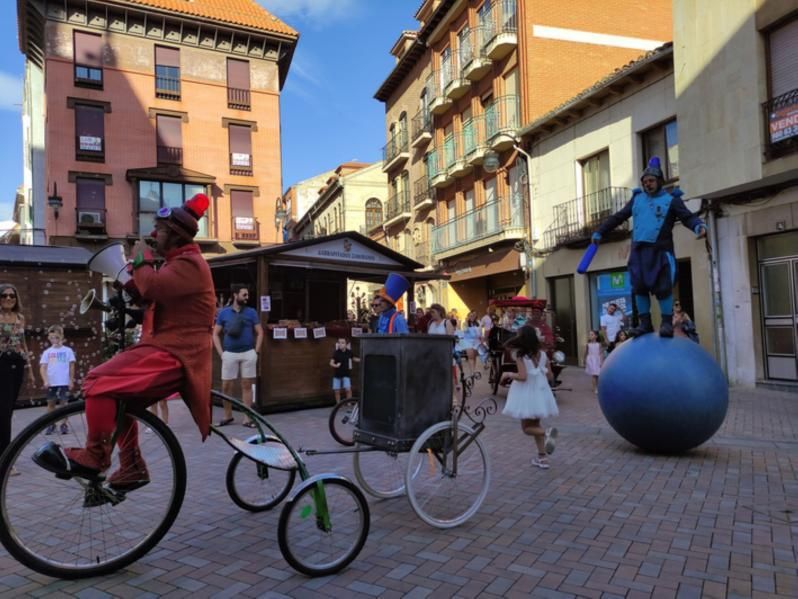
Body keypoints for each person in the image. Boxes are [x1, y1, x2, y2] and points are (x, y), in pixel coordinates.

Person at [34, 193, 216, 491]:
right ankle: (131, 467)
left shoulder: (190, 264)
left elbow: (152, 287)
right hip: (164, 348)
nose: (154, 235)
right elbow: (148, 294)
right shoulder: (178, 262)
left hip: (175, 353)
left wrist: (141, 256)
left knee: (98, 381)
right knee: (118, 401)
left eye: (161, 230)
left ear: (177, 235)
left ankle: (94, 457)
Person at [592, 156, 706, 337]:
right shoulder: (637, 199)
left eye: (651, 181)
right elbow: (619, 217)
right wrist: (600, 231)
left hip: (661, 251)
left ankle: (666, 323)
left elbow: (687, 217)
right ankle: (645, 323)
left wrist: (698, 226)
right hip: (638, 252)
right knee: (639, 287)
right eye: (645, 182)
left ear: (659, 181)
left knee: (663, 288)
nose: (648, 184)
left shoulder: (672, 200)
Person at [500, 326, 559, 469]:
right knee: (535, 425)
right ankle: (542, 458)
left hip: (526, 393)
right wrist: (540, 372)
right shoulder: (543, 354)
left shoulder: (520, 355)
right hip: (541, 391)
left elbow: (522, 377)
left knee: (527, 428)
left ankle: (547, 433)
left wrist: (507, 374)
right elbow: (550, 375)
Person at [213, 285, 264, 428]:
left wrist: (256, 352)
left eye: (247, 295)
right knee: (226, 386)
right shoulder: (224, 313)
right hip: (229, 353)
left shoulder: (251, 312)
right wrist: (221, 353)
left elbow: (260, 332)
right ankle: (227, 416)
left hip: (248, 353)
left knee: (246, 385)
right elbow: (215, 334)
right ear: (236, 295)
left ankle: (247, 418)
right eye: (244, 295)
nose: (247, 298)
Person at [0, 283, 36, 475]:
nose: (8, 299)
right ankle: (6, 462)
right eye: (4, 296)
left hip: (17, 364)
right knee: (4, 414)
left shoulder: (20, 318)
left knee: (8, 412)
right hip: (1, 364)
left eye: (11, 296)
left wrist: (30, 370)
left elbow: (23, 344)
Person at [39, 325, 76, 435]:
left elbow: (71, 366)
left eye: (56, 337)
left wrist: (71, 380)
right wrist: (45, 380)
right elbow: (43, 367)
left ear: (62, 337)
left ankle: (64, 424)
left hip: (64, 382)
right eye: (51, 338)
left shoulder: (68, 351)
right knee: (51, 404)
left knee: (64, 404)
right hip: (52, 383)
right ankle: (51, 424)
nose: (54, 340)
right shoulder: (47, 352)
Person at [330, 337, 356, 403]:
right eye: (339, 343)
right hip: (337, 375)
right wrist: (336, 365)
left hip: (346, 374)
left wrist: (362, 359)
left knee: (348, 389)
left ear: (346, 344)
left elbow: (354, 358)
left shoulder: (349, 352)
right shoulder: (336, 353)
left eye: (342, 343)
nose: (340, 344)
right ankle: (338, 404)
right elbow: (331, 363)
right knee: (336, 391)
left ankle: (349, 404)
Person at [584, 329, 603, 394]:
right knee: (594, 375)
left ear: (596, 336)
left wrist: (601, 361)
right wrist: (585, 360)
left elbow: (600, 353)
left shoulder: (599, 344)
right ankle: (595, 388)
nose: (590, 336)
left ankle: (596, 386)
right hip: (591, 361)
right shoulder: (588, 344)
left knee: (597, 375)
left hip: (597, 360)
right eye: (589, 335)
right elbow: (586, 353)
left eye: (592, 334)